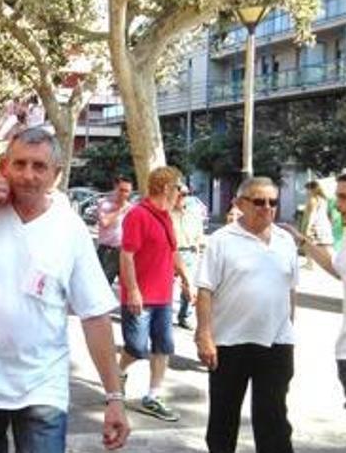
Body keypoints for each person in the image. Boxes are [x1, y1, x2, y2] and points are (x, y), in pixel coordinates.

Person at [0, 127, 130, 452]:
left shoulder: (70, 229)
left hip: (41, 388)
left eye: (39, 166)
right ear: (4, 166)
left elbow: (95, 317)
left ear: (56, 175)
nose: (28, 175)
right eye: (19, 164)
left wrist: (114, 397)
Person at [195, 177, 298, 453]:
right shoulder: (221, 240)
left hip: (276, 343)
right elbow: (205, 291)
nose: (267, 207)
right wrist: (204, 335)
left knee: (274, 419)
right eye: (259, 201)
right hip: (229, 343)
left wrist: (290, 328)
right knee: (223, 419)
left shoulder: (286, 240)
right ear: (240, 204)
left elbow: (291, 290)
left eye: (272, 202)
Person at [118, 166, 189, 422]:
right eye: (179, 187)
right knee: (137, 347)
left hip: (163, 296)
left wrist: (186, 279)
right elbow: (126, 255)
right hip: (140, 297)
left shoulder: (167, 217)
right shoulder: (138, 215)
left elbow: (172, 251)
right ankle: (119, 372)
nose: (182, 192)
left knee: (163, 346)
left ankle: (153, 396)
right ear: (166, 188)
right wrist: (133, 290)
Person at [279, 171, 346, 411]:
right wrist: (301, 241)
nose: (338, 206)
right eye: (338, 198)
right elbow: (338, 269)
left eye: (345, 198)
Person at [171, 185, 204, 330]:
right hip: (171, 253)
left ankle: (184, 316)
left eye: (184, 194)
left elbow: (199, 233)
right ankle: (163, 315)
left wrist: (198, 247)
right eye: (178, 193)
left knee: (189, 286)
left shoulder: (193, 213)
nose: (181, 197)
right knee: (168, 286)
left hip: (189, 253)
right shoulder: (166, 213)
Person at [96, 176, 134, 287]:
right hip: (108, 251)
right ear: (115, 187)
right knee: (103, 286)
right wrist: (121, 210)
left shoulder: (131, 208)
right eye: (121, 190)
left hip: (124, 251)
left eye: (127, 191)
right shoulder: (104, 203)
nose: (123, 194)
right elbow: (105, 222)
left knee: (128, 287)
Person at [301, 180, 334, 268]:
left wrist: (308, 227)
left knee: (307, 244)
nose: (305, 191)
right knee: (324, 246)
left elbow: (312, 214)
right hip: (324, 224)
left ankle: (310, 263)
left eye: (307, 189)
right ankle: (330, 263)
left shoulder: (313, 200)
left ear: (311, 189)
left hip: (315, 226)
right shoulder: (323, 199)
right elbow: (327, 213)